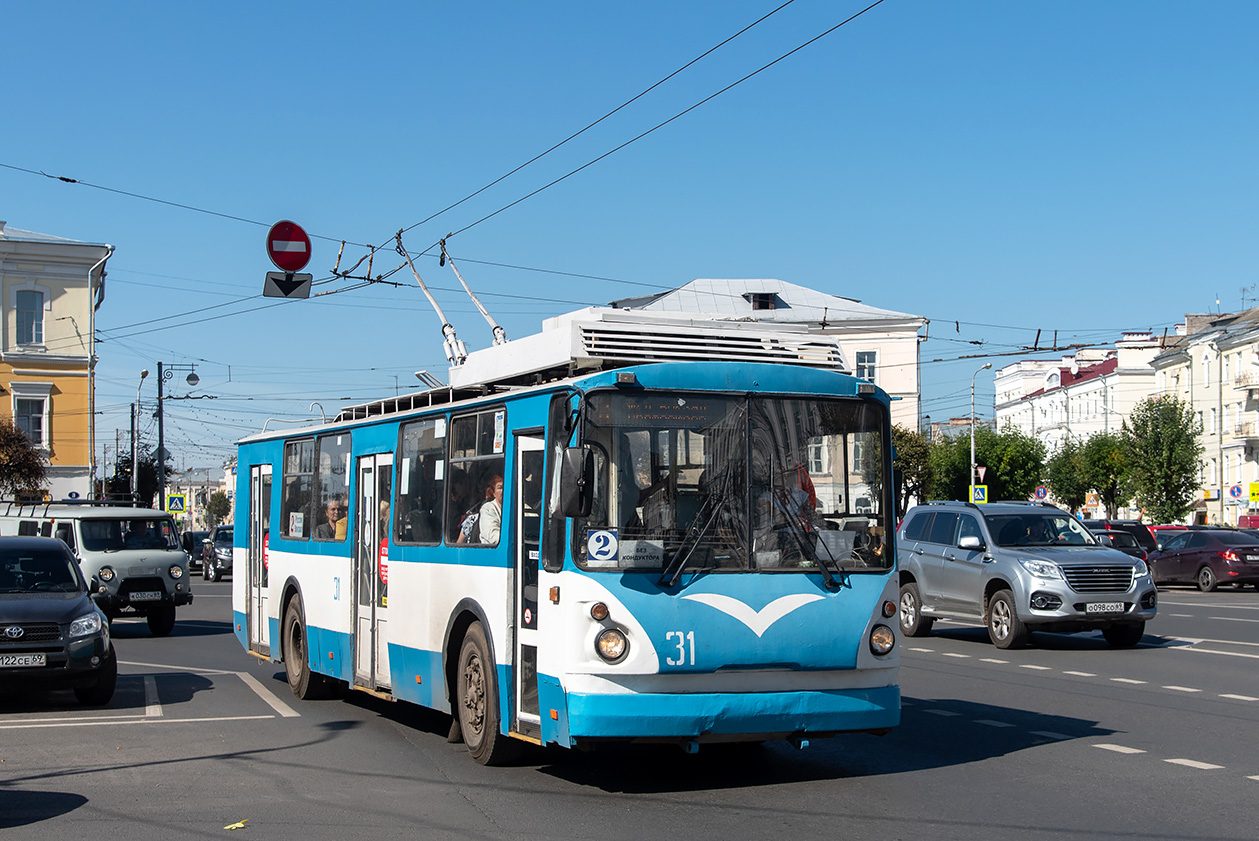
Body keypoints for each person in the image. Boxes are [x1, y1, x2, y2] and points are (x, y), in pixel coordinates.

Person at [478, 475, 504, 545]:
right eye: (500, 488)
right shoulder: (487, 508)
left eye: (506, 487)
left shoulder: (522, 507)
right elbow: (493, 536)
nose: (504, 490)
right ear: (493, 492)